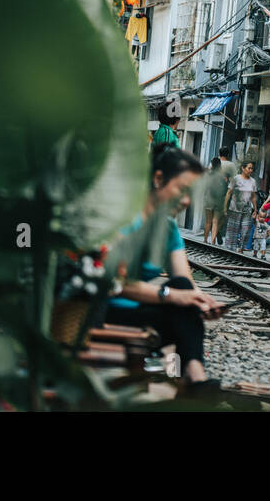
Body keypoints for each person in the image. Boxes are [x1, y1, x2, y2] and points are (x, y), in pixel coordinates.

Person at [106, 145, 222, 386]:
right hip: (103, 311)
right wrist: (170, 295)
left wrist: (204, 301)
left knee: (185, 295)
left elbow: (185, 283)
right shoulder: (121, 220)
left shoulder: (168, 229)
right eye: (182, 190)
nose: (187, 201)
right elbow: (115, 285)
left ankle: (193, 374)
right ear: (158, 179)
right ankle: (192, 378)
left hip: (140, 312)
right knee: (180, 300)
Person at [224, 160, 258, 253]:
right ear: (243, 168)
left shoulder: (253, 181)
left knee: (246, 230)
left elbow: (253, 197)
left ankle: (241, 249)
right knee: (232, 231)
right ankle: (229, 250)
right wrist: (225, 207)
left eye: (252, 168)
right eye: (249, 168)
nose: (251, 170)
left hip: (247, 210)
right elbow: (228, 193)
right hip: (234, 209)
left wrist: (255, 210)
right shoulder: (236, 179)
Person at [201, 157, 224, 243]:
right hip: (218, 200)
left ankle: (205, 240)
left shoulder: (207, 174)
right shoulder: (221, 175)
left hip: (208, 199)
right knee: (215, 222)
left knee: (208, 221)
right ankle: (213, 241)